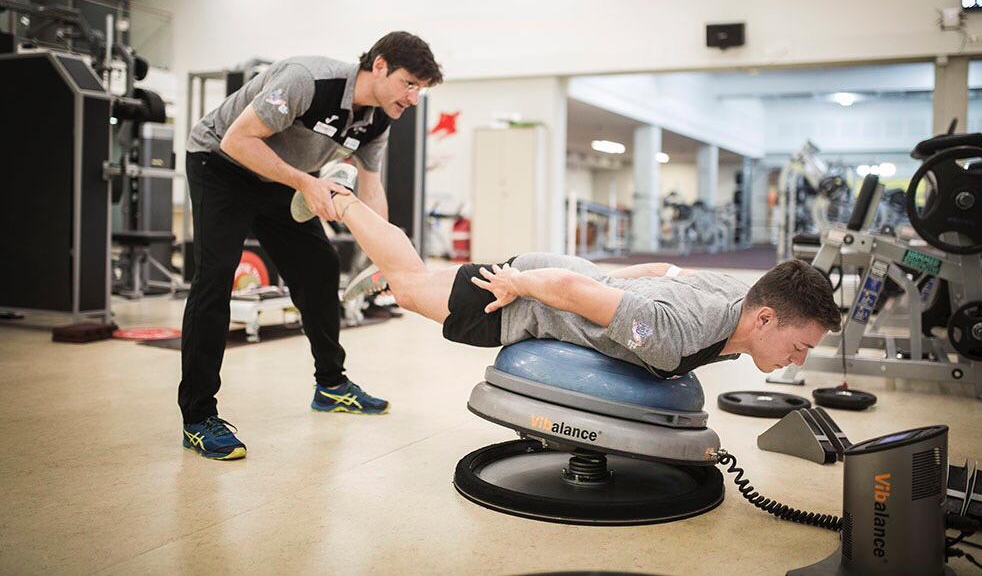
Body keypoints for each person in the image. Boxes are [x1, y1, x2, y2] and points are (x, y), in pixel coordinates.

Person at [180, 32, 443, 461]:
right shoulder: (308, 80)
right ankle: (197, 416)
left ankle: (332, 386)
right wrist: (304, 181)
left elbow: (372, 191)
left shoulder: (377, 119)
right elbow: (237, 140)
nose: (414, 98)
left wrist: (389, 262)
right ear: (379, 65)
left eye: (421, 89)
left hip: (281, 178)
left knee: (320, 269)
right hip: (221, 164)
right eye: (409, 83)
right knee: (214, 278)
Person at [322, 184, 842, 379]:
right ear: (767, 317)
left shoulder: (738, 297)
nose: (798, 360)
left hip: (562, 278)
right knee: (412, 288)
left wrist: (608, 288)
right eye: (799, 347)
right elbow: (571, 295)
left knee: (414, 283)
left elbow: (660, 273)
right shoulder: (676, 334)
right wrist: (519, 285)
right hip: (531, 296)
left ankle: (385, 274)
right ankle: (340, 199)